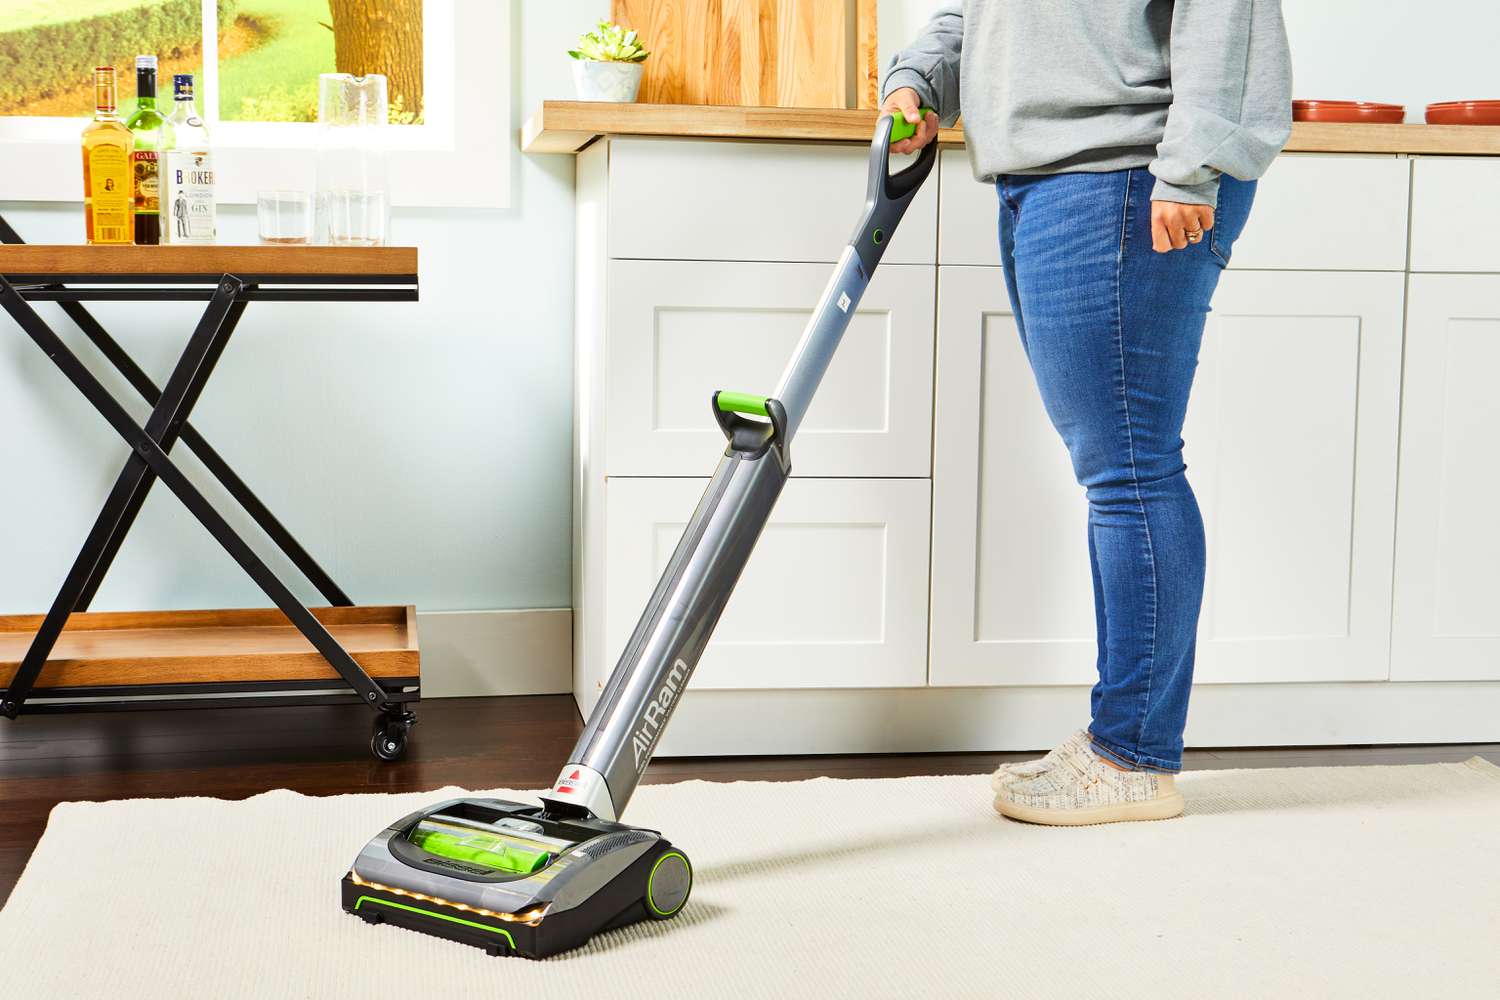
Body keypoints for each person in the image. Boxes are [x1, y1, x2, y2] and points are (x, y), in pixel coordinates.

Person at [882, 1, 1292, 826]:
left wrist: (1189, 168)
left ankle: (1133, 755)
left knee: (1129, 467)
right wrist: (919, 78)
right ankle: (1123, 738)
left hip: (1128, 173)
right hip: (1048, 177)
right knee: (1118, 463)